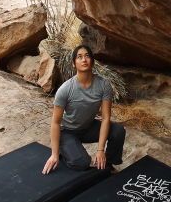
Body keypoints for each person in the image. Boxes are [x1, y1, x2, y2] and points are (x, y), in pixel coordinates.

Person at [42, 44, 125, 174]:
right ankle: (68, 150)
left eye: (87, 56)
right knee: (82, 163)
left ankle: (106, 164)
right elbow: (56, 122)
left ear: (92, 60)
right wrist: (54, 154)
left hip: (88, 128)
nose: (84, 60)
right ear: (74, 63)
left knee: (118, 131)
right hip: (67, 132)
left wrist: (100, 150)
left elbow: (106, 118)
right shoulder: (65, 89)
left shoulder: (104, 85)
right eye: (79, 57)